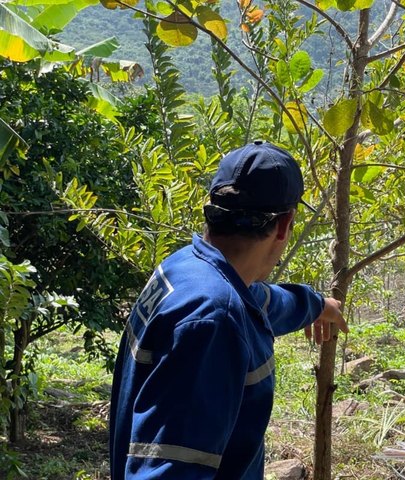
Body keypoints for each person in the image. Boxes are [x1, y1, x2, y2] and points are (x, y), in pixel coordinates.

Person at [109, 141, 348, 479]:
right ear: (284, 225)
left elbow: (261, 302)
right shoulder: (214, 321)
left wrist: (316, 305)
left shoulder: (185, 268)